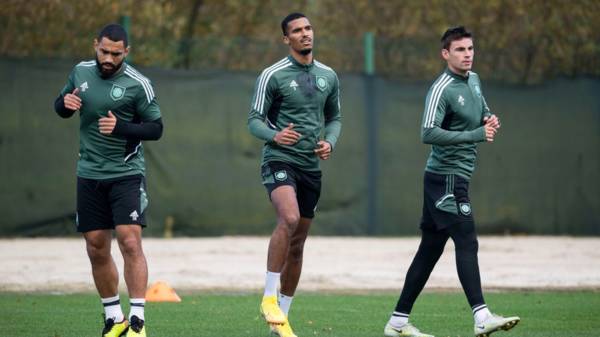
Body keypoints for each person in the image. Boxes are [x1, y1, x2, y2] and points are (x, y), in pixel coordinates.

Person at [383, 27, 519, 337]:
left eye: (470, 48)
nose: (467, 54)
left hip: (457, 176)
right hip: (444, 178)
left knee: (430, 250)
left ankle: (397, 322)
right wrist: (475, 134)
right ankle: (482, 316)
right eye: (460, 50)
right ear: (446, 54)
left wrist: (488, 119)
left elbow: (481, 110)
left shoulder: (473, 79)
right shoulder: (441, 88)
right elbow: (427, 133)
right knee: (467, 240)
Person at [54, 23, 163, 337]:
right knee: (96, 246)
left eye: (116, 54)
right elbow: (60, 106)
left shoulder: (138, 84)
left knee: (130, 241)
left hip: (126, 173)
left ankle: (138, 322)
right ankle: (114, 319)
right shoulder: (80, 72)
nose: (109, 58)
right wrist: (65, 105)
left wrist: (122, 128)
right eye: (104, 51)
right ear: (95, 46)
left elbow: (156, 129)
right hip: (89, 174)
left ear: (126, 52)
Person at [248, 12, 342, 337]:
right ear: (286, 39)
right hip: (279, 159)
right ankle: (268, 298)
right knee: (288, 219)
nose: (305, 34)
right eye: (297, 31)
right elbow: (254, 121)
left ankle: (282, 321)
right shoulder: (272, 75)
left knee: (298, 244)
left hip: (310, 167)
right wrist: (274, 135)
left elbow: (335, 118)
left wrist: (330, 141)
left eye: (308, 28)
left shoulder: (328, 76)